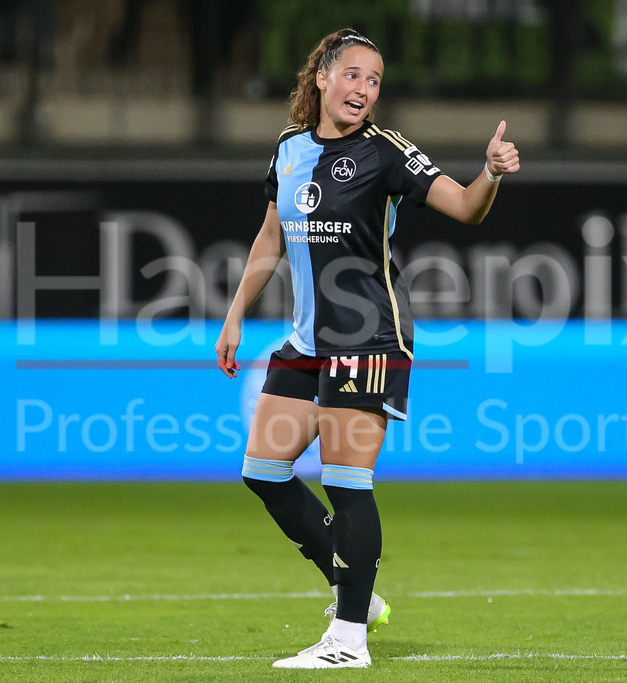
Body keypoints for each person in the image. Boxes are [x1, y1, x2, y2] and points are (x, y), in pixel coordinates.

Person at [214, 27, 519, 670]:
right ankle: (359, 596)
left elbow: (466, 208)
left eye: (374, 80)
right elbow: (270, 240)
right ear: (321, 78)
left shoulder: (385, 153)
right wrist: (235, 316)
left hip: (369, 337)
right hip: (304, 341)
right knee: (263, 471)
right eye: (352, 74)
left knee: (347, 482)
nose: (363, 89)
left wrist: (488, 174)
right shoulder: (289, 150)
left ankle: (348, 640)